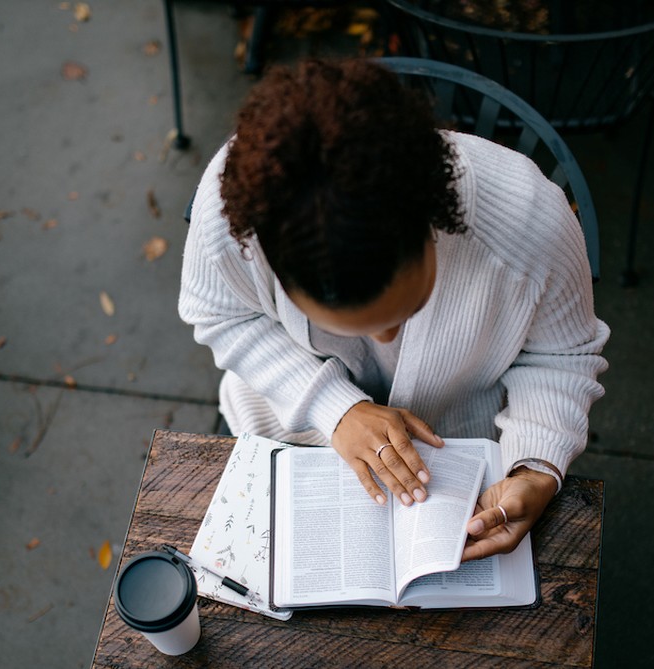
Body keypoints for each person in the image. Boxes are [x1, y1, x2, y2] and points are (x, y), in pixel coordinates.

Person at [179, 58, 609, 561]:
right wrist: (335, 408)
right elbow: (224, 316)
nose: (386, 341)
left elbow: (561, 357)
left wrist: (535, 467)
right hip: (292, 415)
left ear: (432, 225)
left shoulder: (532, 225)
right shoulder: (236, 220)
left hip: (464, 439)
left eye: (404, 313)